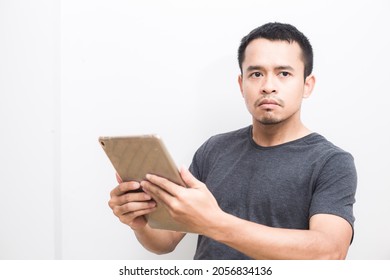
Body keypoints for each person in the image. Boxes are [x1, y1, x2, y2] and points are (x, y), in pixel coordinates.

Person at [108, 22, 357, 260]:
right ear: (241, 84)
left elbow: (330, 252)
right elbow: (166, 241)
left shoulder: (331, 162)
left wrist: (214, 223)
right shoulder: (213, 150)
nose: (268, 86)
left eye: (283, 73)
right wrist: (140, 223)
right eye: (256, 73)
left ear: (307, 85)